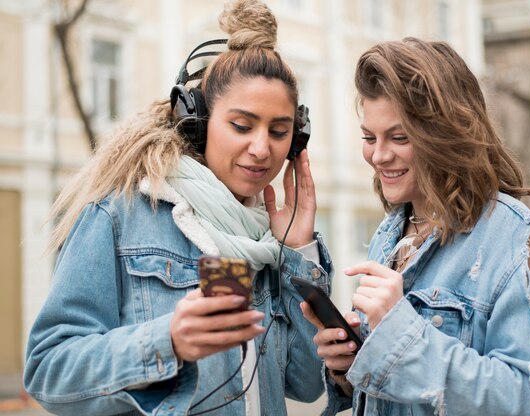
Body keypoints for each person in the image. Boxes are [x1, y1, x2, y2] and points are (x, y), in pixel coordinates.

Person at [24, 1, 332, 415]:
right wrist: (166, 342)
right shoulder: (120, 214)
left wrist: (299, 253)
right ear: (197, 120)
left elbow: (307, 384)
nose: (262, 149)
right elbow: (49, 370)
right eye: (241, 126)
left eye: (280, 131)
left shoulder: (271, 240)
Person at [302, 38, 530, 415]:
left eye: (400, 137)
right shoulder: (389, 234)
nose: (379, 155)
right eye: (369, 138)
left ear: (445, 134)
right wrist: (350, 365)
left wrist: (404, 337)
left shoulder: (513, 235)